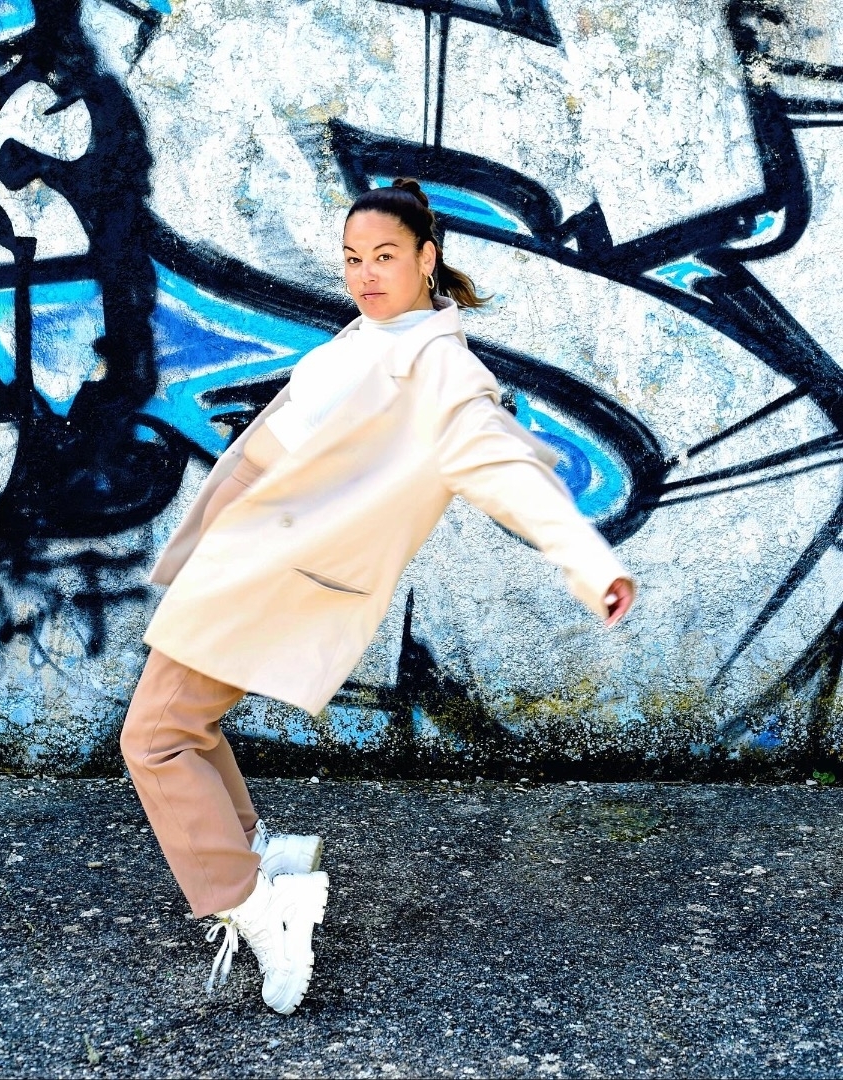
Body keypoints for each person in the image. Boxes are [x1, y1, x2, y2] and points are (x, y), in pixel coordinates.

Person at [120, 178, 636, 1015]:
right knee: (186, 726)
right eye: (353, 258)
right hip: (245, 561)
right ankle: (263, 861)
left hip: (277, 577)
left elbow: (501, 463)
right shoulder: (370, 334)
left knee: (155, 738)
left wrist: (587, 560)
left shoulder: (441, 369)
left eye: (385, 256)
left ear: (428, 258)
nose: (365, 273)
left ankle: (260, 909)